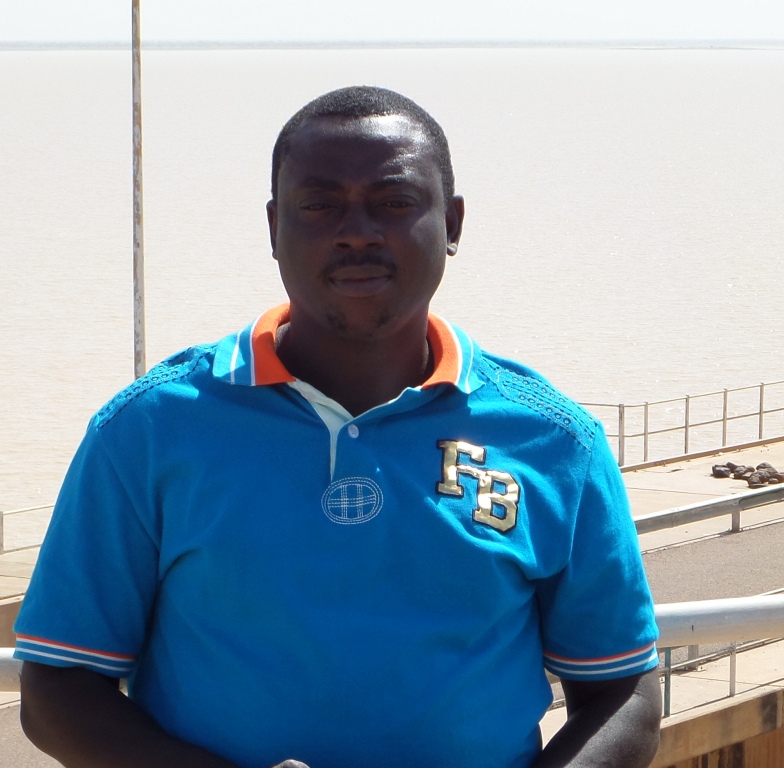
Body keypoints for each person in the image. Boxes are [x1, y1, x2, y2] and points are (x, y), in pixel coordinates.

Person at [14, 85, 661, 768]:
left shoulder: (557, 442)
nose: (357, 231)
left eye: (395, 202)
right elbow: (58, 686)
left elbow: (623, 693)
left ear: (452, 223)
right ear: (274, 228)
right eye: (320, 205)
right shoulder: (148, 429)